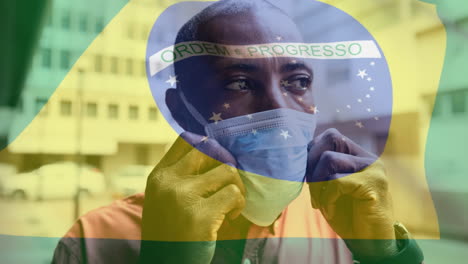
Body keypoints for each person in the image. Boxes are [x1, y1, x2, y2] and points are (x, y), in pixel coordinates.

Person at [53, 1, 423, 263]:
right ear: (181, 109)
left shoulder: (343, 224)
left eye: (298, 81)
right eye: (240, 83)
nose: (280, 107)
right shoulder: (93, 243)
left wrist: (387, 257)